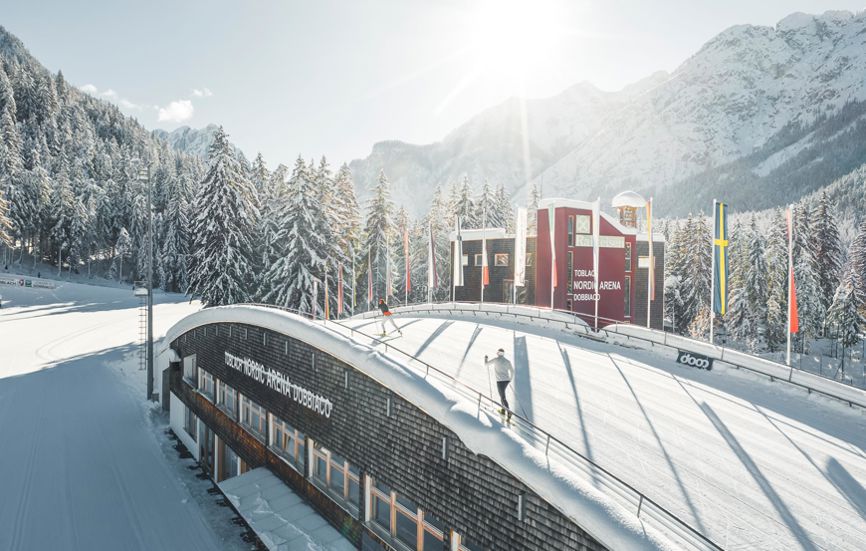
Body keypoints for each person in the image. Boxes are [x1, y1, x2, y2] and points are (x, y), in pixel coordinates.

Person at [485, 348, 514, 419]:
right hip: (506, 380)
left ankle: (509, 411)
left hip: (500, 381)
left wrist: (485, 358)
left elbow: (486, 364)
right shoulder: (507, 361)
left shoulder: (496, 360)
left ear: (498, 353)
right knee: (502, 395)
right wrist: (510, 379)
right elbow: (512, 371)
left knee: (502, 397)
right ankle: (503, 410)